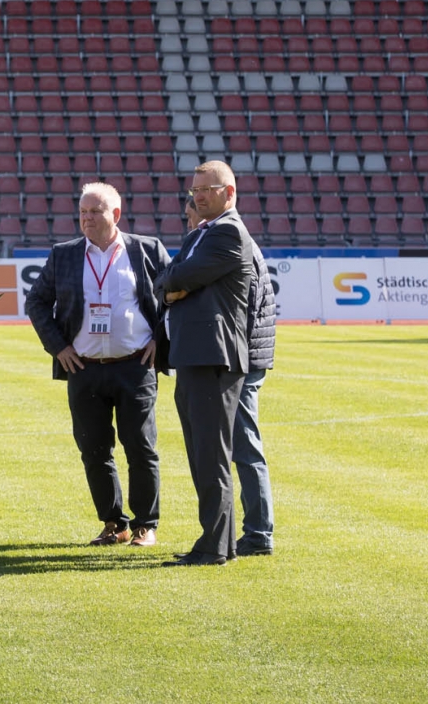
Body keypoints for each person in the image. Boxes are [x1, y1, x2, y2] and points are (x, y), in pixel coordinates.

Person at [25, 183, 173, 548]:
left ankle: (145, 525)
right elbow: (36, 302)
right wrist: (58, 347)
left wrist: (160, 339)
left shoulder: (147, 250)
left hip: (135, 365)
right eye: (82, 212)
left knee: (141, 447)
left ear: (116, 215)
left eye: (95, 211)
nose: (87, 218)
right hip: (84, 368)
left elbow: (173, 299)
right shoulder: (64, 254)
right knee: (93, 450)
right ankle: (114, 523)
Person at [159, 160, 256, 567]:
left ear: (228, 193)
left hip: (213, 356)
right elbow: (167, 279)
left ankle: (213, 546)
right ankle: (221, 542)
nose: (198, 197)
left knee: (210, 455)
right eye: (194, 190)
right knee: (204, 453)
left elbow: (176, 278)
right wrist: (173, 285)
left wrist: (174, 284)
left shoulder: (227, 232)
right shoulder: (203, 232)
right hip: (197, 354)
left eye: (206, 190)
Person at [236, 236, 278, 556]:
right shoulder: (243, 242)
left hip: (242, 361)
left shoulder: (236, 243)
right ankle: (257, 531)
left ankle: (259, 533)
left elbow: (243, 311)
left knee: (246, 446)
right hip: (250, 357)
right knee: (245, 446)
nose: (190, 220)